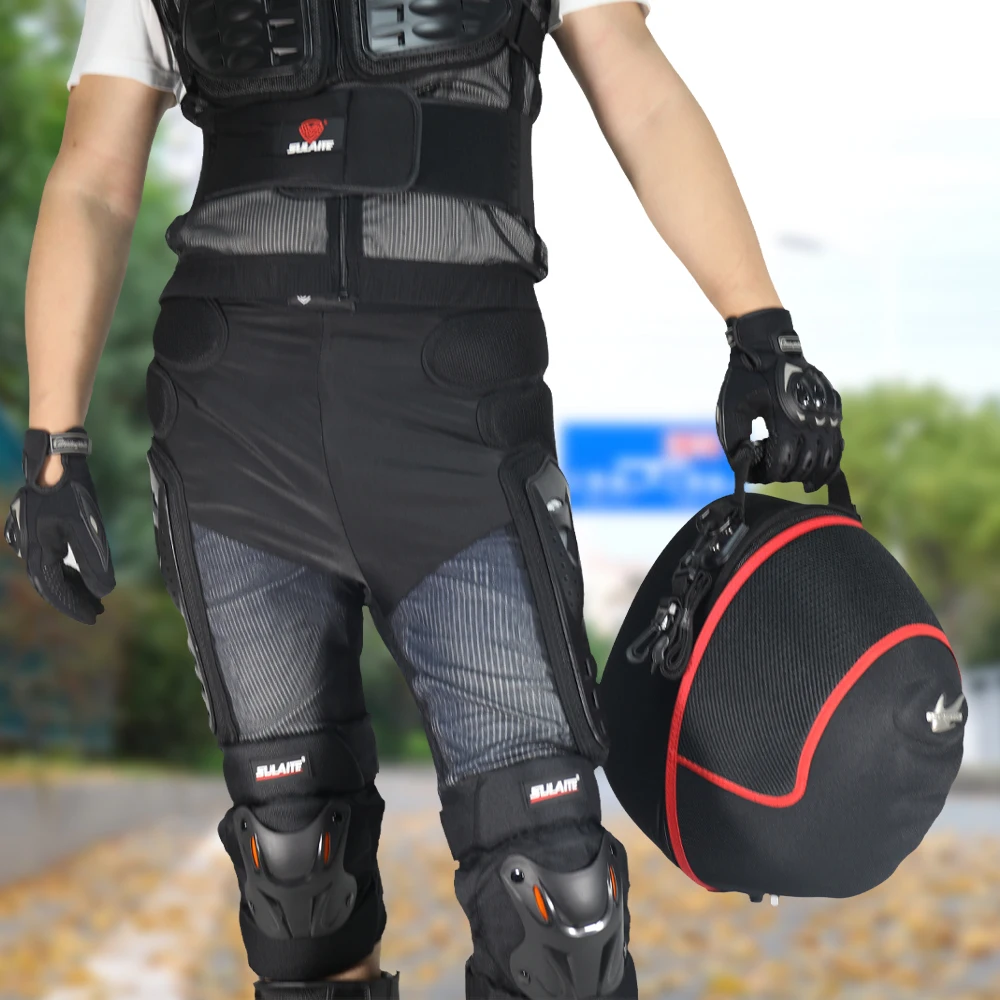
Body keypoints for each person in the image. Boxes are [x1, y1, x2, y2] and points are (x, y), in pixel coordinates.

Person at [4, 0, 844, 996]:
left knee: (559, 902)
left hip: (459, 416)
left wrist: (760, 328)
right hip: (235, 421)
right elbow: (94, 177)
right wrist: (52, 443)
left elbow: (639, 90)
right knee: (296, 870)